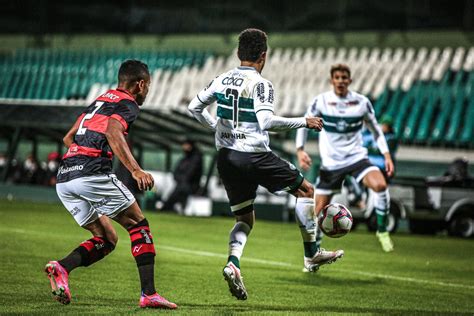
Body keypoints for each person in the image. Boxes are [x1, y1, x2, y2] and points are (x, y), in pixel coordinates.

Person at [188, 28, 343, 301]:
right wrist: (303, 121)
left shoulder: (221, 79)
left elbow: (194, 107)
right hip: (254, 155)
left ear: (238, 53)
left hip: (226, 157)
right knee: (306, 190)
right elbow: (267, 122)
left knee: (244, 218)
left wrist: (216, 128)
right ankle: (311, 255)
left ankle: (233, 262)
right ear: (263, 55)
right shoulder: (261, 84)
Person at [45, 60, 177, 309]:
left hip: (66, 179)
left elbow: (68, 137)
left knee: (107, 238)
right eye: (147, 86)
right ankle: (149, 294)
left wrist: (79, 158)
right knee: (138, 224)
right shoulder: (127, 103)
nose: (147, 91)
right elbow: (112, 132)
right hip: (91, 174)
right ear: (140, 84)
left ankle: (62, 268)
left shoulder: (99, 101)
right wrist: (135, 170)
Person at [296, 63, 395, 253]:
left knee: (380, 185)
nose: (341, 81)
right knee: (317, 213)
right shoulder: (321, 102)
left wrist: (387, 155)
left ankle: (382, 231)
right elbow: (304, 124)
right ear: (332, 80)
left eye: (344, 78)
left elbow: (376, 131)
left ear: (350, 80)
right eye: (337, 78)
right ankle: (314, 255)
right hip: (332, 163)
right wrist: (300, 150)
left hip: (356, 158)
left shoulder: (361, 102)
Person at [160, 139, 203, 213]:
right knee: (178, 190)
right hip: (181, 184)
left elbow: (190, 173)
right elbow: (176, 172)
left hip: (191, 186)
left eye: (186, 145)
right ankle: (168, 207)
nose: (184, 147)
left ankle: (166, 207)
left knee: (180, 190)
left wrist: (181, 179)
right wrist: (179, 178)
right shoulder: (185, 158)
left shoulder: (196, 158)